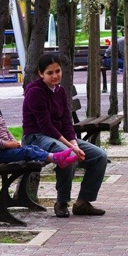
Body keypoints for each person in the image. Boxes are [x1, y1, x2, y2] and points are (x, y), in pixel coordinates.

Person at [22, 53, 109, 217]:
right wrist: (71, 148)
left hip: (58, 137)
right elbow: (46, 127)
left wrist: (74, 144)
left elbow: (66, 122)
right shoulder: (35, 92)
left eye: (57, 71)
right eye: (50, 73)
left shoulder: (60, 91)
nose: (55, 76)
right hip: (36, 137)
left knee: (100, 156)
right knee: (67, 156)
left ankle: (83, 202)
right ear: (41, 74)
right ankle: (61, 202)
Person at [0, 91, 79, 168]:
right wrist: (8, 144)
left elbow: (7, 131)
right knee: (28, 151)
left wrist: (14, 141)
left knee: (32, 147)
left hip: (8, 150)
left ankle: (59, 160)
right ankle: (55, 158)